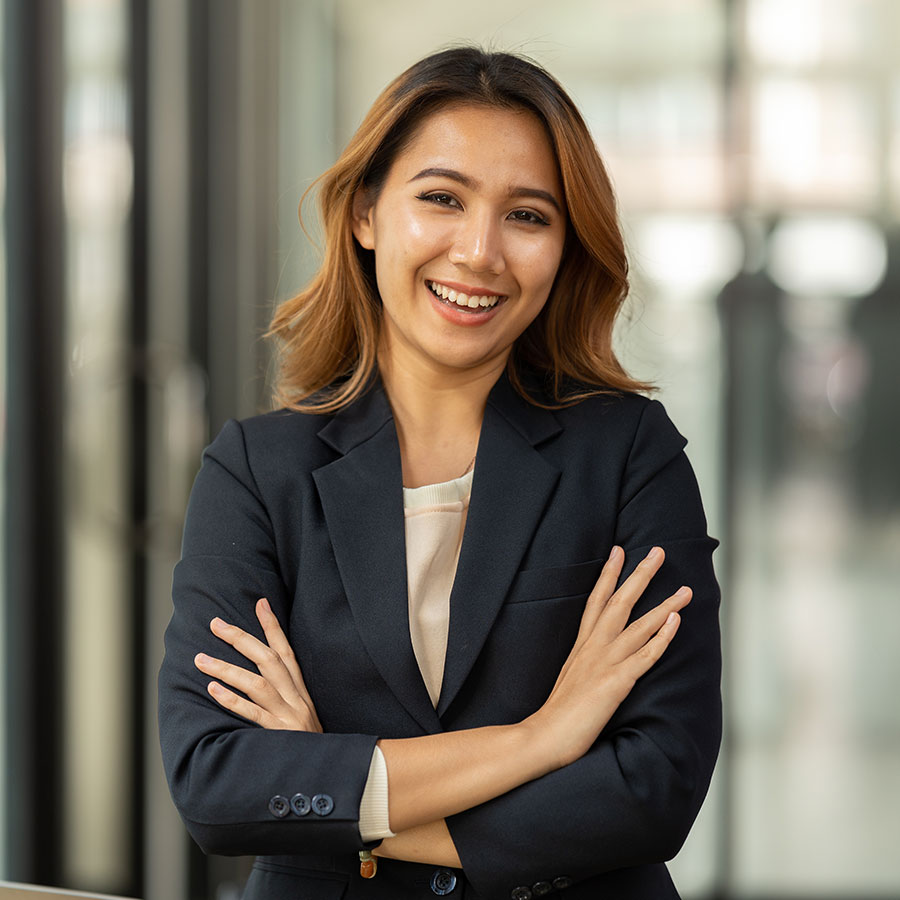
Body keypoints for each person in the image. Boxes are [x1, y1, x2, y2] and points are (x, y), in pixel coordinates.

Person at [158, 46, 721, 900]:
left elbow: (654, 789)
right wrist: (545, 738)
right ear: (367, 213)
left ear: (566, 247)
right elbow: (217, 783)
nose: (480, 252)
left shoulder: (629, 454)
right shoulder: (256, 470)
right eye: (441, 199)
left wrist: (341, 797)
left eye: (528, 216)